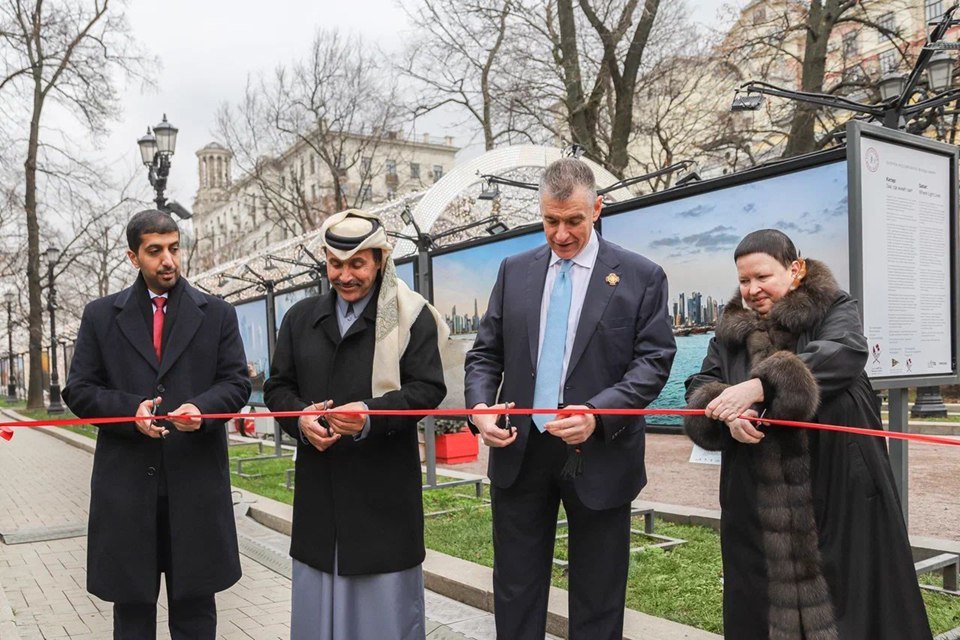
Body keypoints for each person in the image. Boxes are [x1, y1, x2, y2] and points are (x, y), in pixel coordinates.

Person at [464, 158, 676, 639]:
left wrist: (598, 415)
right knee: (516, 587)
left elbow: (654, 361)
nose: (560, 234)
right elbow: (484, 354)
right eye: (550, 221)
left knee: (598, 592)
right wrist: (480, 408)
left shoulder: (642, 275)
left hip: (600, 454)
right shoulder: (514, 271)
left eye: (574, 220)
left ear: (597, 209)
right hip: (519, 450)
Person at [684, 229, 932, 640]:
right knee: (759, 601)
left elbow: (845, 351)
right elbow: (702, 383)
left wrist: (761, 384)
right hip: (754, 494)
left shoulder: (832, 305)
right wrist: (725, 412)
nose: (752, 289)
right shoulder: (729, 330)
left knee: (851, 598)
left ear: (795, 269)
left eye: (762, 277)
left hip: (837, 483)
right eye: (744, 281)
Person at [62, 209, 252, 639]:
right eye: (155, 251)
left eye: (174, 248)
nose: (168, 260)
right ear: (134, 257)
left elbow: (237, 383)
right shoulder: (100, 316)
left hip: (196, 487)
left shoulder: (217, 313)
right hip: (127, 490)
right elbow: (79, 390)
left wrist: (202, 409)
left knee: (195, 613)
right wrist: (132, 413)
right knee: (131, 615)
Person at [263, 209, 447, 640]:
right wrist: (301, 419)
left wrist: (369, 414)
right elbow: (277, 388)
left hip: (382, 494)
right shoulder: (299, 318)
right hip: (320, 495)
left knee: (385, 620)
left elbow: (427, 389)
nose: (345, 276)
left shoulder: (411, 316)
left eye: (357, 264)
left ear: (379, 260)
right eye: (335, 264)